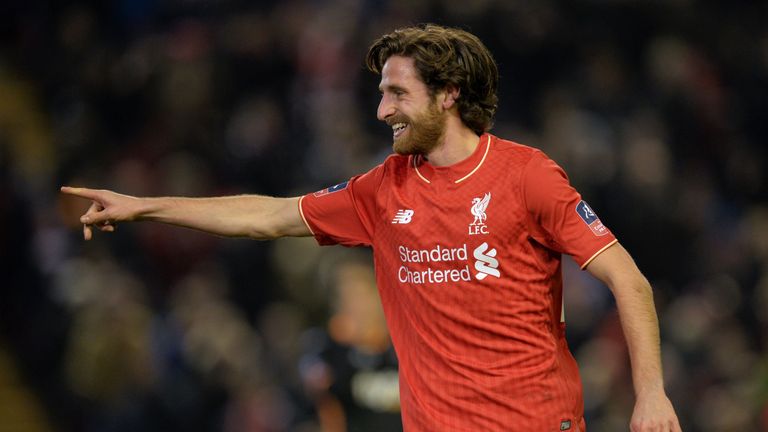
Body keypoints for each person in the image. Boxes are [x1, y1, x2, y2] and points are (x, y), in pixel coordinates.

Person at [61, 24, 681, 431]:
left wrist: (650, 394)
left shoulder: (527, 176)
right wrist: (144, 205)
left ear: (447, 95)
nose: (382, 110)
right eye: (381, 93)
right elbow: (269, 215)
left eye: (396, 93)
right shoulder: (382, 190)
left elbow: (631, 283)